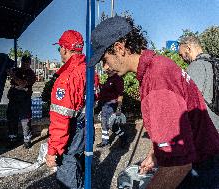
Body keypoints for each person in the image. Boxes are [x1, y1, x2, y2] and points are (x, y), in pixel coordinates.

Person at [89, 16, 219, 189]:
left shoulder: (157, 80)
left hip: (201, 172)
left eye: (104, 60)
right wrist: (155, 153)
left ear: (119, 48)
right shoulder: (158, 66)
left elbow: (178, 165)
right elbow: (175, 132)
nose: (105, 67)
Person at [45, 30, 99, 189]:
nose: (60, 52)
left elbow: (61, 119)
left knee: (68, 166)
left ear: (64, 49)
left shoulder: (67, 77)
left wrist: (53, 150)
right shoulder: (90, 71)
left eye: (59, 49)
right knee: (79, 165)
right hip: (86, 130)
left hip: (72, 132)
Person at [179, 35, 219, 129]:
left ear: (188, 48)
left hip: (209, 126)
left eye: (181, 55)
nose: (182, 59)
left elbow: (189, 100)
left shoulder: (195, 66)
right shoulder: (215, 61)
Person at [6, 55, 36, 148]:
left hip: (24, 100)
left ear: (30, 63)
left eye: (27, 62)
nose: (25, 64)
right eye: (23, 62)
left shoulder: (31, 74)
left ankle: (27, 140)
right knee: (12, 119)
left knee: (25, 120)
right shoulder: (16, 70)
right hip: (13, 99)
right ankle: (12, 139)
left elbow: (22, 83)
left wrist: (12, 75)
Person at [97, 63, 125, 148]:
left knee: (111, 124)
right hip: (105, 105)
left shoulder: (118, 79)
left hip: (112, 106)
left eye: (107, 66)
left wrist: (119, 107)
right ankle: (105, 141)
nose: (105, 69)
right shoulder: (109, 79)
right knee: (104, 123)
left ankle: (123, 137)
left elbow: (120, 94)